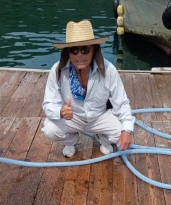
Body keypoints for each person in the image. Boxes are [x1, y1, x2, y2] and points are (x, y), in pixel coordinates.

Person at [42, 19, 135, 158]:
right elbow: (48, 103)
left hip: (99, 117)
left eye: (85, 49)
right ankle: (71, 140)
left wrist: (127, 130)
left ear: (94, 50)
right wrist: (60, 111)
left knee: (122, 133)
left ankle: (102, 137)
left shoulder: (109, 70)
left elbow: (121, 103)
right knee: (49, 129)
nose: (79, 55)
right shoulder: (57, 70)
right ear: (68, 52)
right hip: (73, 118)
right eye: (74, 50)